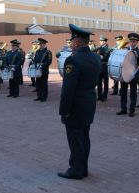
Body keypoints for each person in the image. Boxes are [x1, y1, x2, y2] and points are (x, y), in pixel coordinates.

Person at [58, 24, 101, 180]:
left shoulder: (73, 60)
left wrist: (64, 110)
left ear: (77, 42)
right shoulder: (96, 57)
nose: (71, 44)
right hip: (89, 103)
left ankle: (75, 170)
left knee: (75, 140)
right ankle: (83, 168)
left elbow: (68, 89)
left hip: (75, 107)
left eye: (72, 41)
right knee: (84, 137)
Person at [116, 33, 139, 117]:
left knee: (133, 93)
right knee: (123, 92)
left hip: (134, 74)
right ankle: (123, 109)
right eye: (131, 41)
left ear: (137, 42)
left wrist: (137, 57)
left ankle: (131, 110)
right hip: (124, 73)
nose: (132, 43)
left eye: (134, 41)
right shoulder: (125, 50)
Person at [33, 38, 52, 102]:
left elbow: (49, 61)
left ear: (44, 44)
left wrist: (42, 65)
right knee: (38, 84)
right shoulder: (37, 51)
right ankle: (39, 96)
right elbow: (35, 60)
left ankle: (44, 97)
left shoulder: (48, 52)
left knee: (43, 84)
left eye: (41, 44)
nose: (40, 45)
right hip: (37, 70)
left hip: (44, 71)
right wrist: (35, 64)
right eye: (39, 44)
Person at [96, 36, 111, 101]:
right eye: (100, 41)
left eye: (102, 41)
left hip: (105, 66)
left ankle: (104, 96)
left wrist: (102, 57)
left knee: (105, 82)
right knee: (98, 82)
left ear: (105, 42)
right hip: (99, 67)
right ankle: (99, 96)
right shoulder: (98, 48)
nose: (101, 42)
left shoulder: (108, 49)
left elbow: (109, 59)